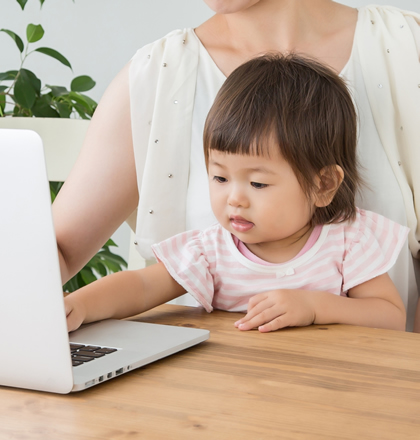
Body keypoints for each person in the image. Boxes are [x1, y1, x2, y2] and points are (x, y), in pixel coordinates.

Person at [52, 1, 420, 331]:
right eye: (219, 177)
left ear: (325, 185)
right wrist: (77, 305)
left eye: (258, 184)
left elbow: (389, 315)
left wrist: (315, 306)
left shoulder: (348, 240)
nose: (235, 200)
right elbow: (142, 283)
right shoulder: (213, 249)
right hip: (221, 393)